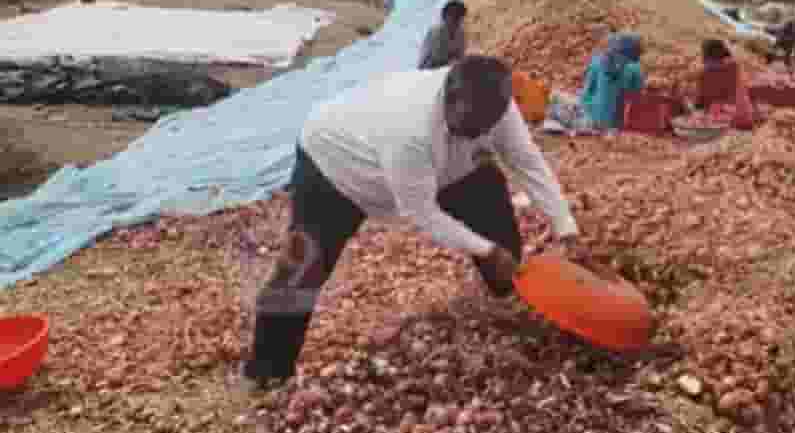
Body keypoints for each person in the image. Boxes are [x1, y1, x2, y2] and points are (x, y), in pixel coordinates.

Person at [241, 56, 580, 390]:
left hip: (435, 164)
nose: (476, 136)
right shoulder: (409, 129)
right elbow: (422, 213)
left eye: (484, 129)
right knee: (305, 261)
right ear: (448, 99)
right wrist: (486, 250)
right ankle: (267, 371)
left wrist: (566, 227)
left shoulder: (496, 109)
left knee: (486, 189)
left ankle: (509, 293)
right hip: (334, 166)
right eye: (469, 127)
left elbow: (527, 162)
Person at [579, 33, 645, 131]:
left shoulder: (597, 62)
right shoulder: (634, 68)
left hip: (597, 121)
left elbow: (585, 94)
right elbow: (637, 96)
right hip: (609, 122)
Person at [694, 39, 756, 129]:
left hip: (724, 121)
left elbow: (701, 100)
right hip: (745, 116)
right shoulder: (735, 65)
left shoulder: (705, 72)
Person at [418, 0, 467, 70]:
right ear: (444, 16)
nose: (457, 21)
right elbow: (435, 58)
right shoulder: (436, 32)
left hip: (448, 68)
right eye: (454, 16)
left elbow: (460, 56)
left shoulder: (461, 33)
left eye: (459, 17)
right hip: (429, 69)